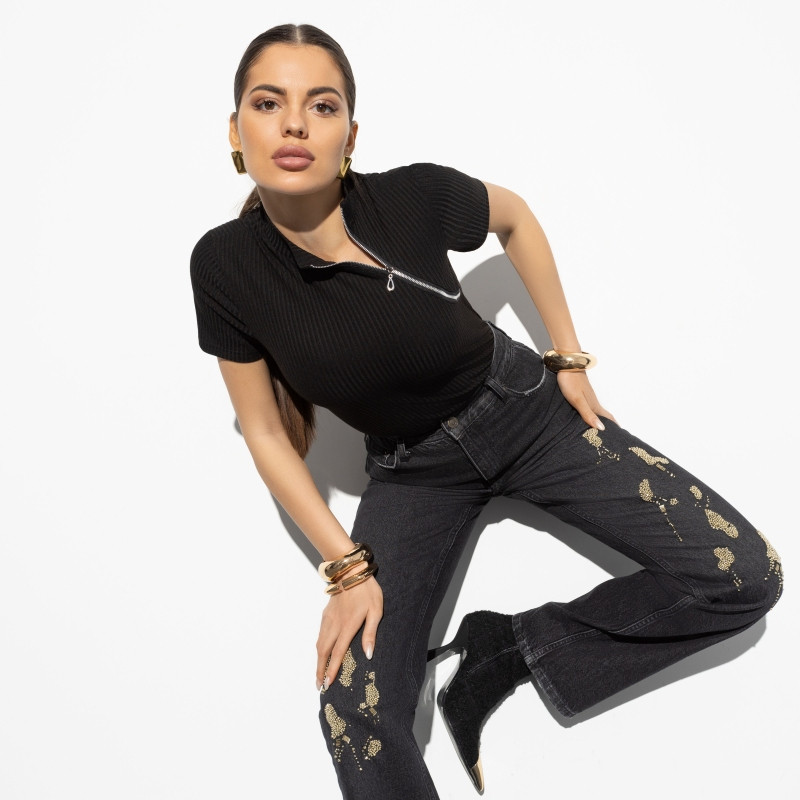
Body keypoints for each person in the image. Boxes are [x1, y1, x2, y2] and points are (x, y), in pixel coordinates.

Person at [190, 23, 783, 799]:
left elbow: (515, 218)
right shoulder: (224, 265)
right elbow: (266, 432)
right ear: (235, 130)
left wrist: (566, 357)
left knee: (746, 575)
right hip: (413, 473)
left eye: (322, 106)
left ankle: (509, 649)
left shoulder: (413, 195)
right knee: (353, 713)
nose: (295, 124)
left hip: (527, 415)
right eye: (269, 103)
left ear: (350, 136)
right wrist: (346, 569)